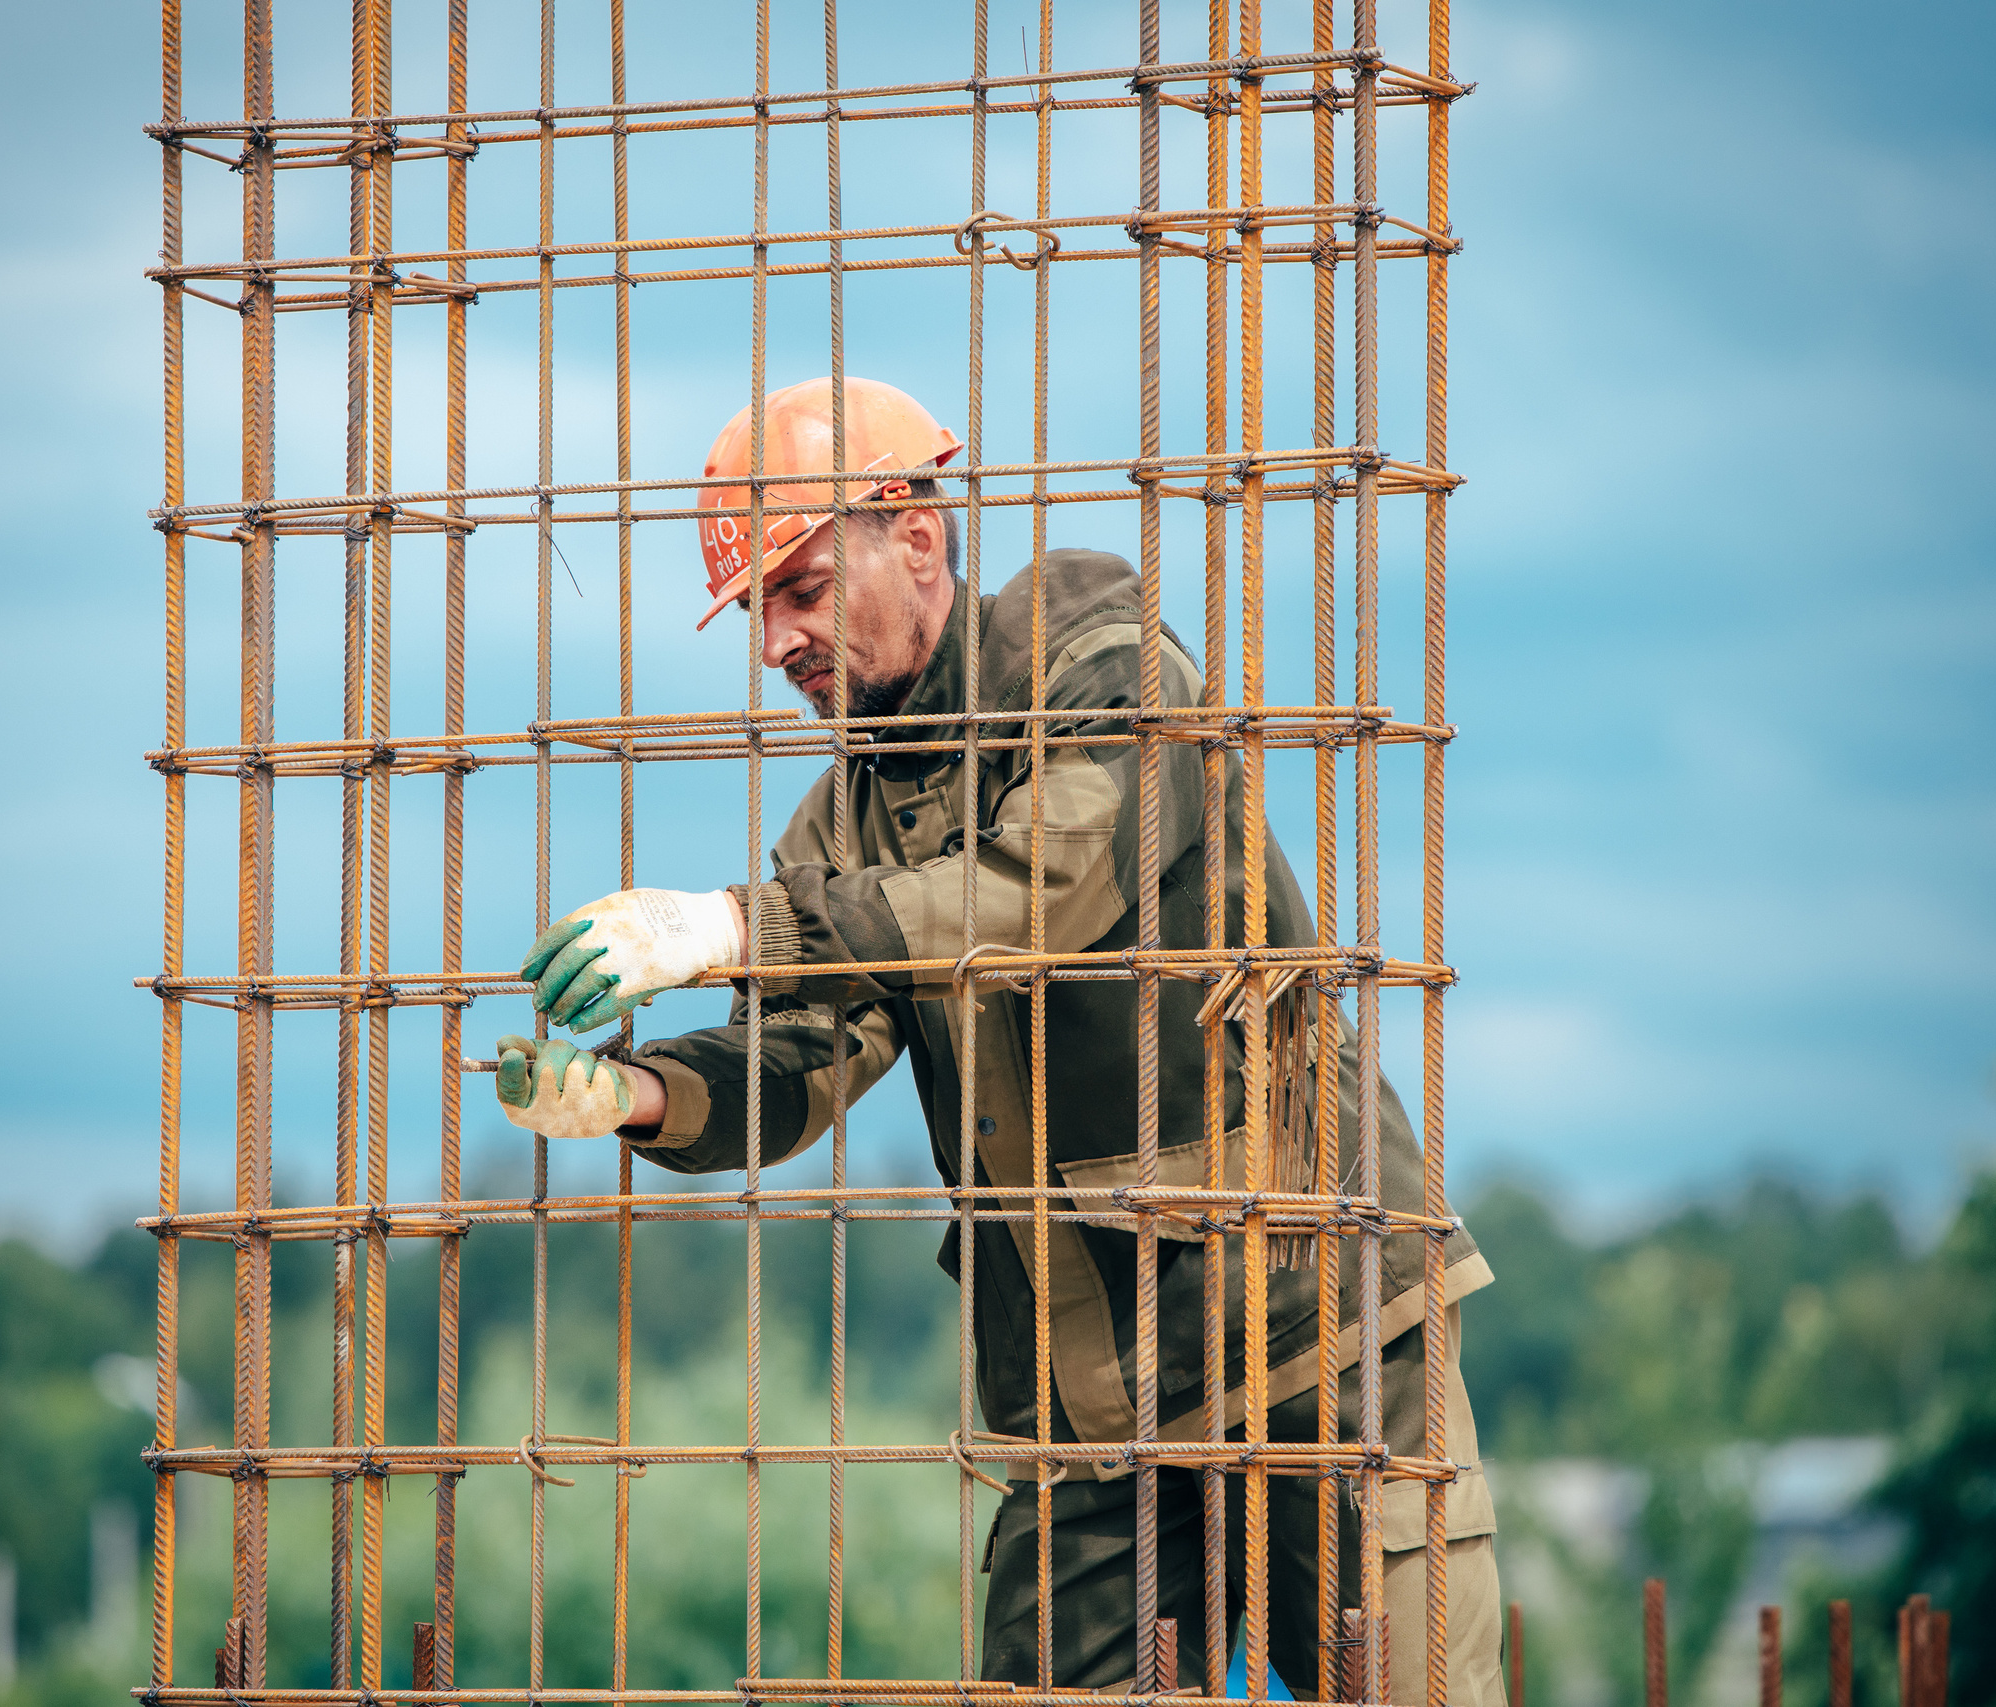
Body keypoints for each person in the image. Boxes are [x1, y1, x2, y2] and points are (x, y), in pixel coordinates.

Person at [492, 376, 1505, 1702]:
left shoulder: (1097, 649)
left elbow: (1054, 881)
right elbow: (801, 1064)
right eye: (757, 612)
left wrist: (740, 926)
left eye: (798, 591)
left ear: (915, 535)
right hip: (1087, 1405)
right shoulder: (834, 832)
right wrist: (633, 1095)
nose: (774, 644)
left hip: (1306, 1334)